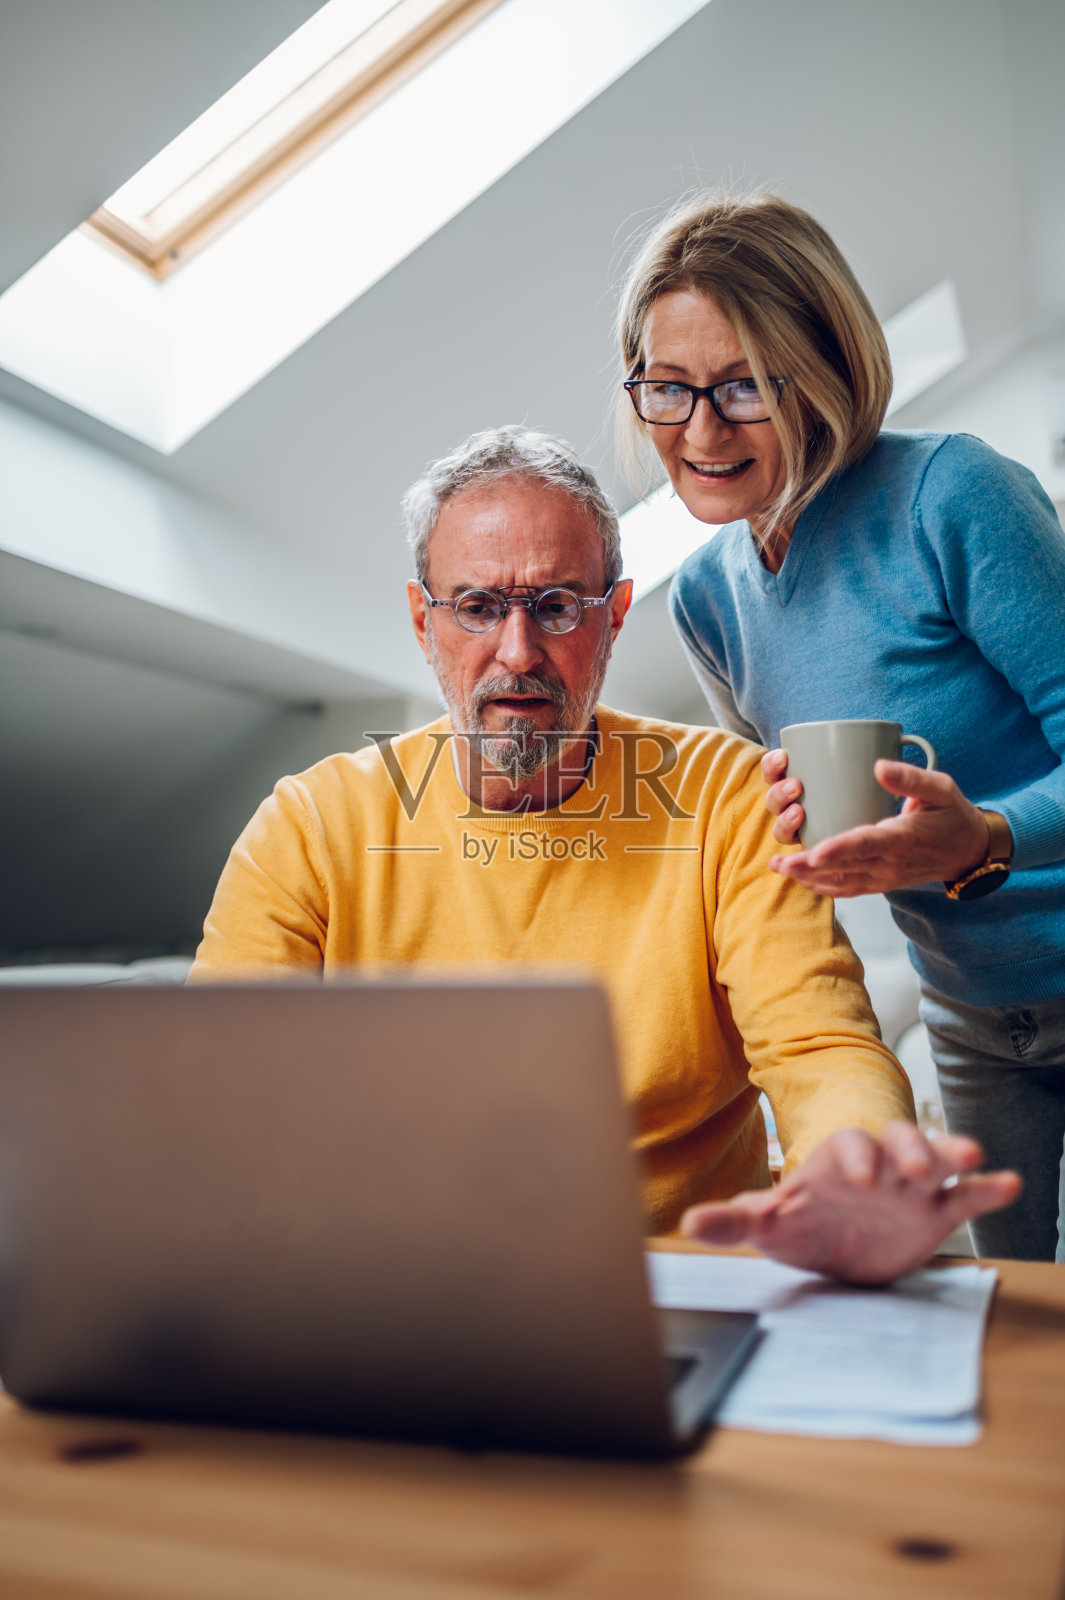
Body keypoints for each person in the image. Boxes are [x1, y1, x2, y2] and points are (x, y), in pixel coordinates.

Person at [191, 426, 1018, 1284]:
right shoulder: (309, 823)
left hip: (677, 1290)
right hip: (389, 1288)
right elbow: (221, 1087)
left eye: (556, 606)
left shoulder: (727, 795)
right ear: (421, 621)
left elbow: (820, 1047)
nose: (517, 653)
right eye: (476, 607)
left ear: (614, 617)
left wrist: (855, 1160)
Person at [617, 189, 1065, 1262]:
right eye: (668, 388)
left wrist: (987, 838)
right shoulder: (707, 597)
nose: (702, 431)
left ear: (826, 371)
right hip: (969, 1015)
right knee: (1003, 1313)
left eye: (746, 387)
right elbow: (783, 813)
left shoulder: (951, 495)